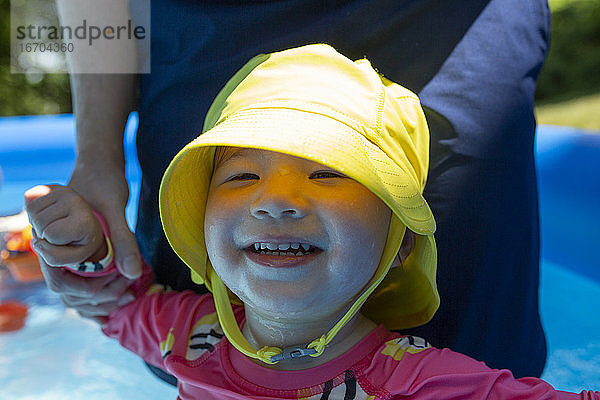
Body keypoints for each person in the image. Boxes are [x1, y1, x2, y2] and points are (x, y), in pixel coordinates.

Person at [26, 45, 597, 399]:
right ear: (201, 227)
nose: (275, 201)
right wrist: (86, 248)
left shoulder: (427, 384)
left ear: (398, 244)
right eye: (240, 177)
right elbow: (118, 307)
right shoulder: (192, 335)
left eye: (328, 175)